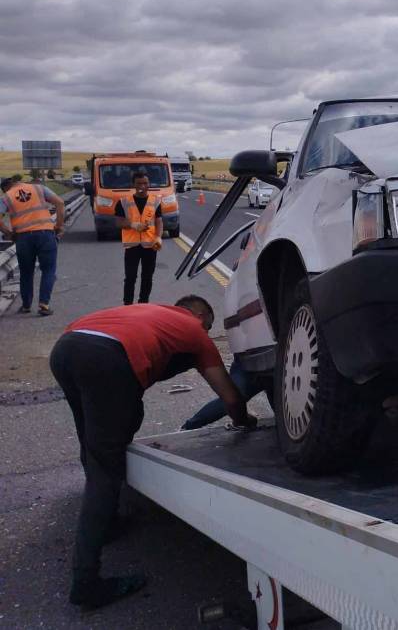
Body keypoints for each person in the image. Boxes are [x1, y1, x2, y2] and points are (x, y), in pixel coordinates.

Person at [49, 296, 256, 610]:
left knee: (97, 441)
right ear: (200, 316)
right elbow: (229, 396)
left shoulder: (151, 312)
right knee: (106, 466)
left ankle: (106, 521)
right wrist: (243, 419)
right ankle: (86, 583)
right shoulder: (193, 330)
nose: (207, 333)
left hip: (67, 348)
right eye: (209, 326)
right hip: (106, 358)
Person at [0, 175, 65, 315]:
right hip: (45, 234)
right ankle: (44, 304)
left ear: (5, 188)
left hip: (23, 238)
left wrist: (8, 233)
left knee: (26, 273)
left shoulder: (6, 197)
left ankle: (26, 306)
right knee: (48, 270)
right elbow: (59, 202)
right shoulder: (38, 188)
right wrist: (59, 226)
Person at [181, 355, 271, 430]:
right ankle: (189, 426)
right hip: (258, 361)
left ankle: (189, 426)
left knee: (232, 397)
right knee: (231, 398)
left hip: (252, 360)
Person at [114, 171, 163, 305]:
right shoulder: (124, 202)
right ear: (133, 185)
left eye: (145, 183)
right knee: (130, 277)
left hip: (150, 245)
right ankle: (128, 305)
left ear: (149, 184)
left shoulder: (155, 201)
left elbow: (159, 221)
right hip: (132, 246)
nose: (142, 185)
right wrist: (133, 225)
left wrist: (158, 237)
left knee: (147, 277)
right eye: (139, 183)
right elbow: (118, 222)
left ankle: (143, 304)